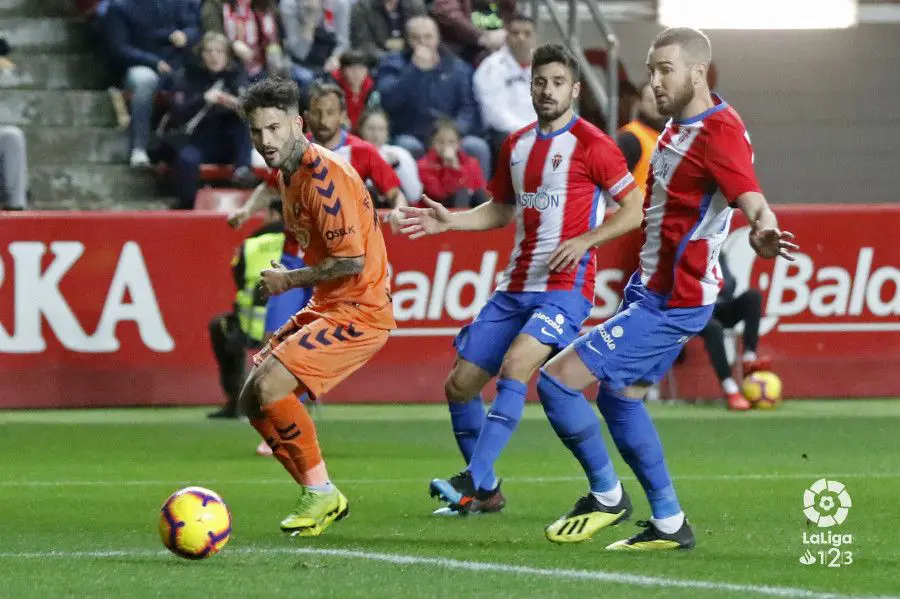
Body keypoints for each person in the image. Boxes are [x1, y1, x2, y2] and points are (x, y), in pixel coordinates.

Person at [527, 28, 797, 550]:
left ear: (698, 72)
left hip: (674, 300)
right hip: (650, 292)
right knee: (620, 399)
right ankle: (670, 523)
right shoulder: (676, 125)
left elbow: (752, 197)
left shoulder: (718, 131)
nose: (653, 82)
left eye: (664, 70)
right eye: (650, 70)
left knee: (557, 382)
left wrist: (762, 228)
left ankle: (607, 495)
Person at [398, 44, 644, 516]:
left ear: (574, 89)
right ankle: (487, 492)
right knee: (459, 386)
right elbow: (501, 210)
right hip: (515, 287)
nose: (547, 90)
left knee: (517, 366)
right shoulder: (515, 145)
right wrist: (449, 220)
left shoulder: (594, 144)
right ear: (530, 86)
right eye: (540, 82)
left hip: (564, 287)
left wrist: (587, 239)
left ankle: (473, 478)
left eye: (557, 83)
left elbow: (633, 210)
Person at [238, 77, 396, 536]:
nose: (265, 141)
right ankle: (320, 492)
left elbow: (351, 261)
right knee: (252, 398)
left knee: (269, 387)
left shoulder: (324, 176)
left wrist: (288, 279)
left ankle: (321, 492)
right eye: (256, 132)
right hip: (330, 305)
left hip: (360, 311)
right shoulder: (286, 175)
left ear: (296, 124)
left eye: (273, 129)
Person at [376, 15, 491, 179]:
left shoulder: (457, 67)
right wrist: (414, 70)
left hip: (452, 134)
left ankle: (481, 199)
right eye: (416, 38)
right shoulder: (393, 64)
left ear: (437, 38)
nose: (423, 42)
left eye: (428, 36)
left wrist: (452, 135)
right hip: (412, 133)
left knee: (477, 146)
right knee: (406, 146)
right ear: (407, 41)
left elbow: (469, 107)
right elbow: (389, 100)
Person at [208, 197, 293, 419]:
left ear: (274, 215)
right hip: (293, 328)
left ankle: (236, 399)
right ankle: (296, 400)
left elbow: (238, 278)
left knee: (220, 326)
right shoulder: (303, 242)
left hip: (249, 329)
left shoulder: (251, 245)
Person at [106, 0, 201, 168]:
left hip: (178, 61)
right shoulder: (119, 5)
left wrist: (186, 35)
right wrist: (154, 62)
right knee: (145, 80)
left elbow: (195, 28)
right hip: (140, 64)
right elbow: (119, 48)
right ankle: (139, 148)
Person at [171, 32, 253, 210]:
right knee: (186, 159)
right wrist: (203, 99)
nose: (214, 56)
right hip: (200, 141)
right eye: (209, 52)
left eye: (219, 52)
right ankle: (187, 206)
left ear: (227, 56)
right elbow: (178, 112)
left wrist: (236, 104)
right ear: (202, 56)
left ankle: (242, 170)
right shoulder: (189, 76)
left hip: (230, 144)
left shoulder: (237, 76)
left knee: (242, 122)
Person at [304, 82, 408, 220]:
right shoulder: (295, 150)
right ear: (306, 116)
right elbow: (271, 191)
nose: (323, 120)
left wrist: (399, 210)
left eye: (330, 112)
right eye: (317, 113)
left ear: (342, 115)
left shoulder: (363, 150)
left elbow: (395, 194)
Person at [698, 252, 770, 411]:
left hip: (721, 306)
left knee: (753, 296)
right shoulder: (682, 251)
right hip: (696, 311)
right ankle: (729, 387)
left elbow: (730, 284)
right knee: (714, 328)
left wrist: (715, 287)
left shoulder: (718, 252)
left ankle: (749, 357)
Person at [472, 14, 537, 153]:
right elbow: (494, 114)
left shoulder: (546, 65)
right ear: (507, 37)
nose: (521, 38)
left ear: (534, 38)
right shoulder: (491, 67)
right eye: (515, 33)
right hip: (507, 133)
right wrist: (528, 131)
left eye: (527, 34)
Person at [416, 119, 487, 208]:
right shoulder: (424, 165)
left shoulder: (471, 163)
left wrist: (457, 167)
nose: (446, 146)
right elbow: (438, 194)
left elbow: (478, 189)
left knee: (479, 194)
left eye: (451, 142)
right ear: (432, 143)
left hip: (468, 208)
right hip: (437, 209)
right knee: (462, 193)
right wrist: (451, 168)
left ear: (458, 144)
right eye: (440, 141)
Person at [358, 108, 423, 202]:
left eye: (381, 129)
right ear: (361, 129)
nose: (376, 134)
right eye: (371, 128)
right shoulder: (351, 152)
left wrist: (398, 166)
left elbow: (415, 195)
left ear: (387, 132)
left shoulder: (401, 154)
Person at [430, 0, 516, 65]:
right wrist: (482, 36)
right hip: (462, 49)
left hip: (500, 46)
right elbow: (447, 13)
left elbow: (512, 13)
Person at [617, 82, 666, 195]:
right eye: (650, 100)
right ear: (639, 103)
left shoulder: (667, 136)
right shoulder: (630, 138)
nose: (655, 104)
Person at [350, 0, 426, 61]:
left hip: (412, 60)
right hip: (375, 63)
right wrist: (389, 60)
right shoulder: (362, 7)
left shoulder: (416, 5)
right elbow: (363, 44)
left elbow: (423, 38)